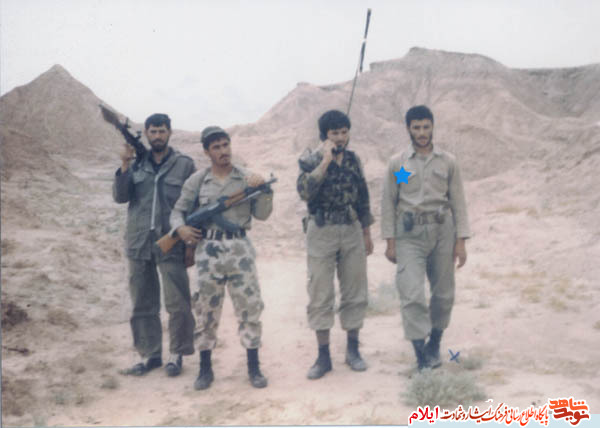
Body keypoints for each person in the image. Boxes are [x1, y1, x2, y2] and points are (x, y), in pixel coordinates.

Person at [170, 126, 273, 390]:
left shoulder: (247, 177)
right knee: (206, 310)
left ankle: (254, 367)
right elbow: (178, 211)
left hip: (240, 248)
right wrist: (181, 230)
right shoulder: (197, 180)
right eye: (216, 147)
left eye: (225, 145)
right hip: (208, 251)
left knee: (250, 307)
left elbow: (262, 215)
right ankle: (205, 369)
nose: (223, 151)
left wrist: (264, 190)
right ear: (207, 152)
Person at [381, 105, 470, 371]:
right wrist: (390, 241)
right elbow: (388, 203)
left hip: (442, 232)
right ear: (408, 129)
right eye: (416, 128)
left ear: (433, 127)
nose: (422, 133)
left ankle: (435, 344)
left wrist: (461, 241)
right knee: (412, 294)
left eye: (426, 127)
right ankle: (421, 357)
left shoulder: (448, 161)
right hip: (409, 235)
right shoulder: (398, 163)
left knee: (443, 294)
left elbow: (458, 202)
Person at [113, 113, 196, 377]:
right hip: (139, 242)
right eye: (153, 131)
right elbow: (120, 197)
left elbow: (193, 206)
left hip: (171, 241)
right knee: (142, 302)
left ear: (169, 133)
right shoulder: (137, 163)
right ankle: (149, 355)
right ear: (146, 134)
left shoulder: (184, 165)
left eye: (161, 131)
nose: (157, 136)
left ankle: (176, 354)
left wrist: (190, 243)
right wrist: (124, 165)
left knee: (177, 301)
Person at [296, 109, 374, 380]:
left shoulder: (353, 160)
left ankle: (353, 350)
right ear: (324, 136)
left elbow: (363, 197)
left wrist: (366, 233)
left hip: (351, 230)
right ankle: (323, 356)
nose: (340, 138)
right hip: (321, 231)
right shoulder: (310, 160)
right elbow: (305, 191)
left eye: (344, 132)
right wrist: (325, 162)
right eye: (334, 133)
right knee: (320, 293)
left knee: (355, 290)